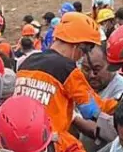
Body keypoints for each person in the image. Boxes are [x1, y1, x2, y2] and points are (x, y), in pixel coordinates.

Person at [13, 12, 105, 142]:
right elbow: (91, 110)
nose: (82, 57)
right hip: (50, 143)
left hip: (18, 139)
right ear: (77, 46)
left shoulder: (27, 62)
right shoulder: (67, 69)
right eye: (84, 51)